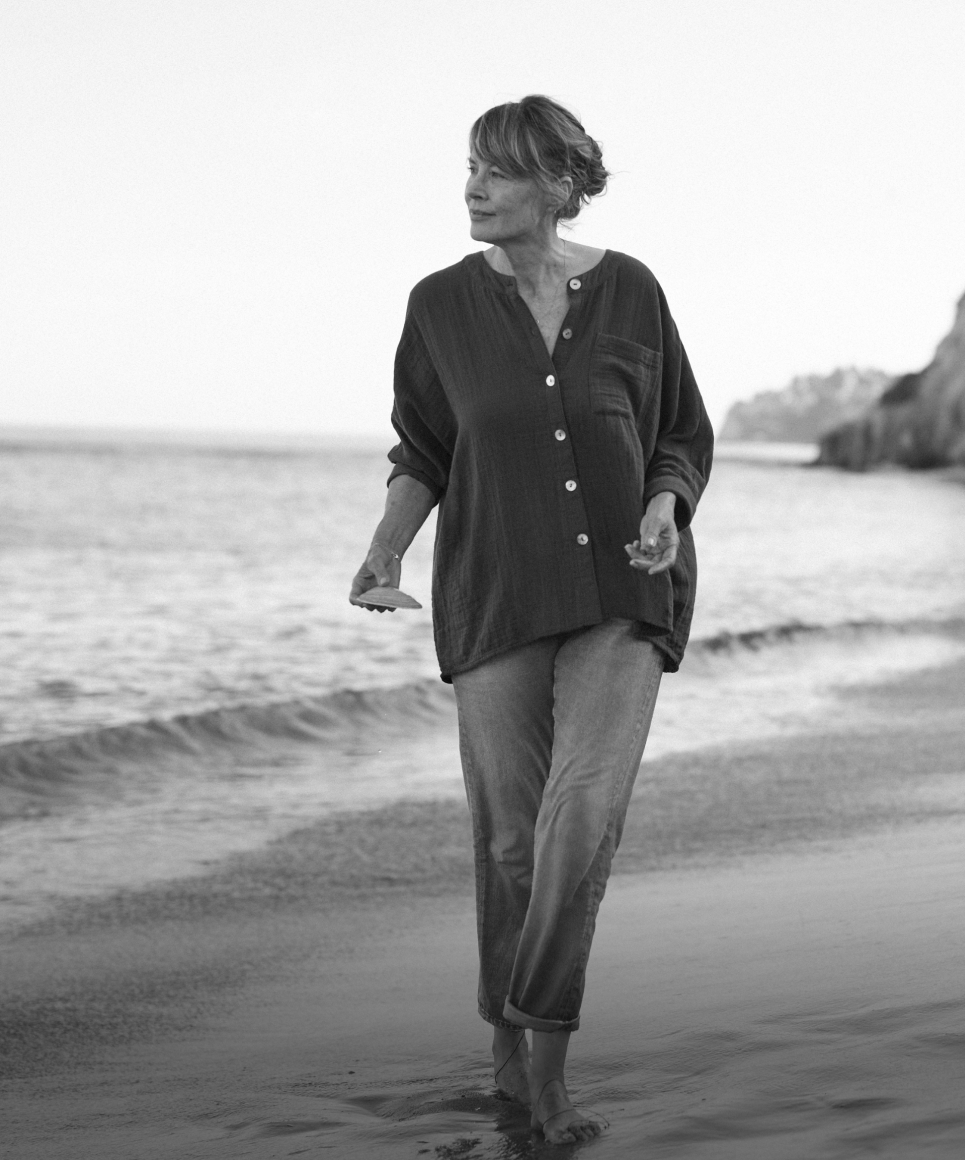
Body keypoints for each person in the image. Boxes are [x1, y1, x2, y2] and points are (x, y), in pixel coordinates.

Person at [350, 94, 712, 1145]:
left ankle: (545, 1061)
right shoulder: (438, 307)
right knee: (509, 836)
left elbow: (680, 430)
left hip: (623, 591)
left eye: (500, 172)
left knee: (580, 815)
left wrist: (664, 503)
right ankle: (504, 1056)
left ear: (559, 184)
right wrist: (386, 546)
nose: (474, 187)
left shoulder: (632, 291)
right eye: (469, 167)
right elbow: (423, 446)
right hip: (497, 592)